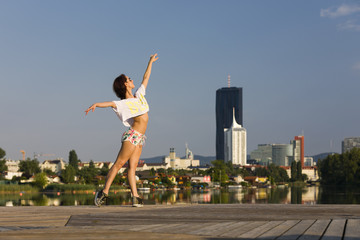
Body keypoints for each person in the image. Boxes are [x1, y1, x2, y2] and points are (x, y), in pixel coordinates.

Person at [85, 53, 158, 207]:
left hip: (140, 138)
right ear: (125, 84)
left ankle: (135, 197)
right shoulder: (123, 103)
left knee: (132, 168)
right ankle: (104, 193)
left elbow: (146, 78)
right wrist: (96, 104)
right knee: (119, 164)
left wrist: (150, 61)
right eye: (129, 79)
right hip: (132, 136)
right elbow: (111, 104)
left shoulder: (139, 95)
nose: (132, 80)